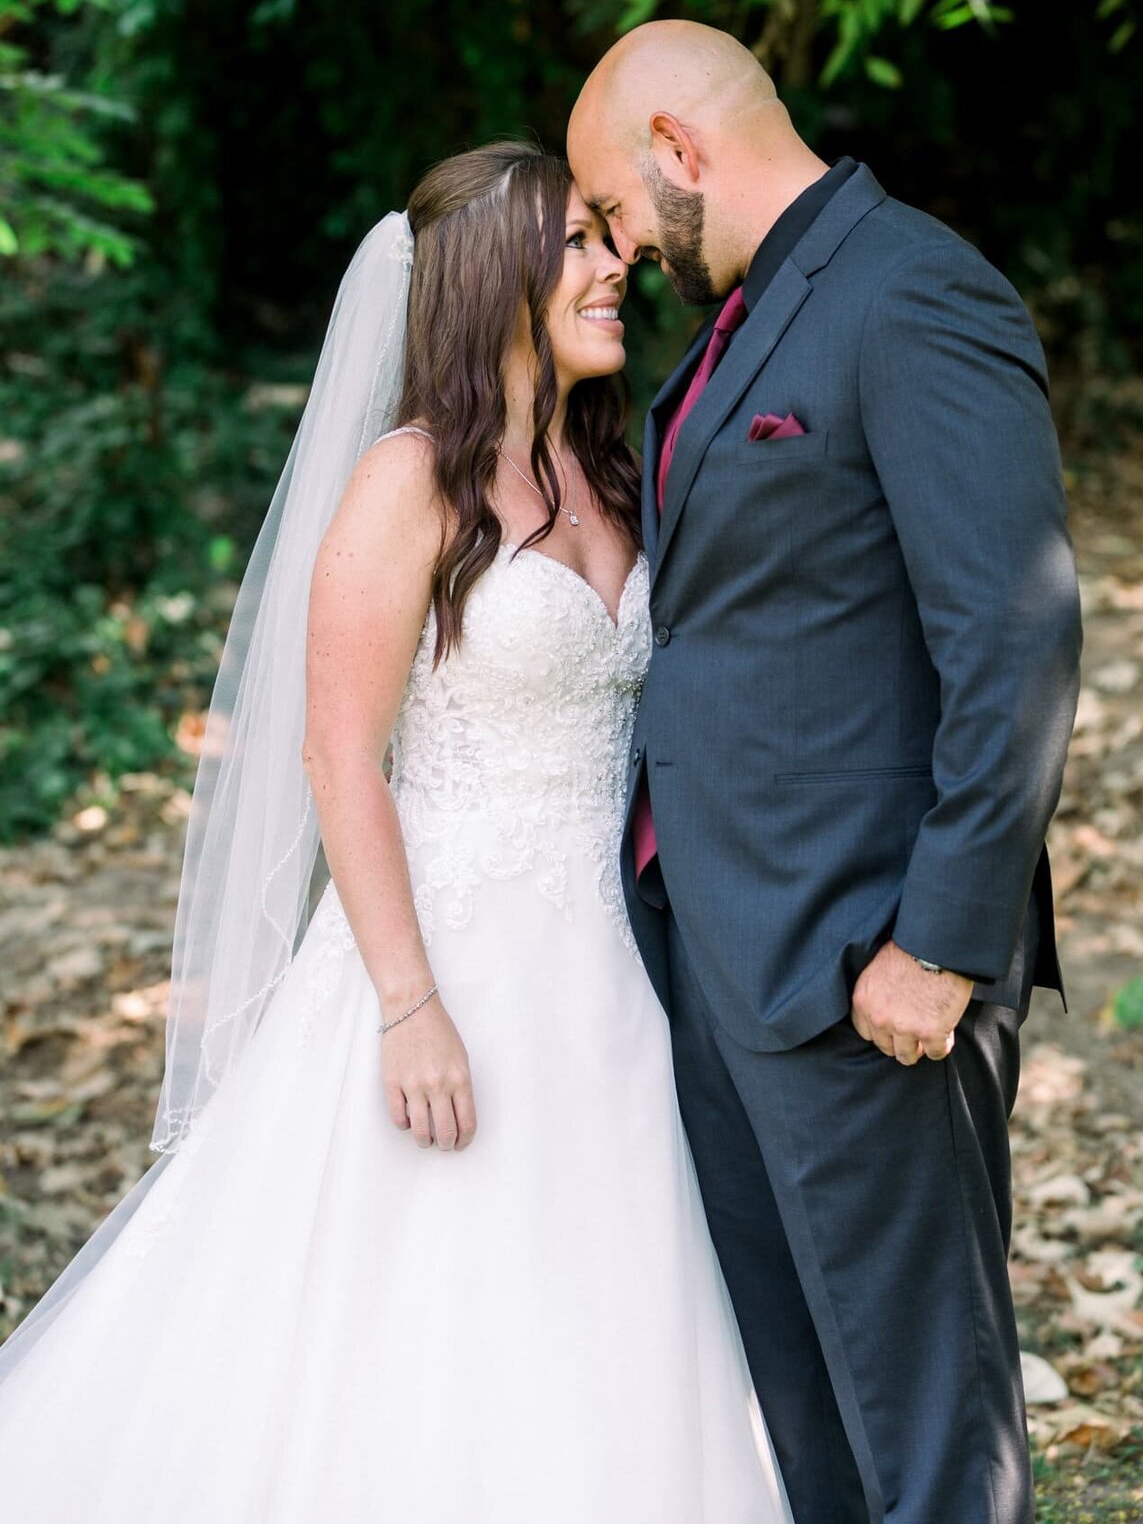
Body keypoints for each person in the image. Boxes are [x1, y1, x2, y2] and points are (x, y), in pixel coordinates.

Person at [0, 142, 792, 1524]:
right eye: (582, 245)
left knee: (607, 1284)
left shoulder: (614, 464)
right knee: (425, 1299)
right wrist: (409, 1003)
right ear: (496, 278)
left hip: (613, 967)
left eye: (611, 243)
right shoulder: (409, 482)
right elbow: (337, 756)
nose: (618, 268)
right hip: (445, 954)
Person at [567, 21, 1083, 1524]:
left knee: (923, 1418)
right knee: (800, 1410)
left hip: (872, 964)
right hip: (725, 955)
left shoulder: (914, 291)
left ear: (678, 148)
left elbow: (1016, 637)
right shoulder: (741, 323)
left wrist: (941, 938)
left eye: (609, 207)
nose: (612, 247)